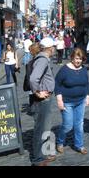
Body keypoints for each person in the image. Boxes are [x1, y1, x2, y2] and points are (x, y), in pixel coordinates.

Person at [55, 48, 89, 155]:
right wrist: (59, 100)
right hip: (67, 102)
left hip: (80, 101)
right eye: (76, 58)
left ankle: (79, 145)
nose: (78, 61)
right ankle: (60, 142)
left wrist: (87, 96)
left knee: (79, 125)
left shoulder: (83, 69)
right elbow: (57, 84)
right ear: (72, 58)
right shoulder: (64, 70)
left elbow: (86, 84)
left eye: (80, 59)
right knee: (68, 125)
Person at [29, 37, 56, 166]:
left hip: (46, 98)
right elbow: (34, 78)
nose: (55, 49)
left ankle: (46, 152)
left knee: (46, 126)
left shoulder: (43, 59)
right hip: (43, 99)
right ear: (50, 48)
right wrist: (38, 92)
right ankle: (37, 159)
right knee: (40, 129)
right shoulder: (43, 60)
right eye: (54, 47)